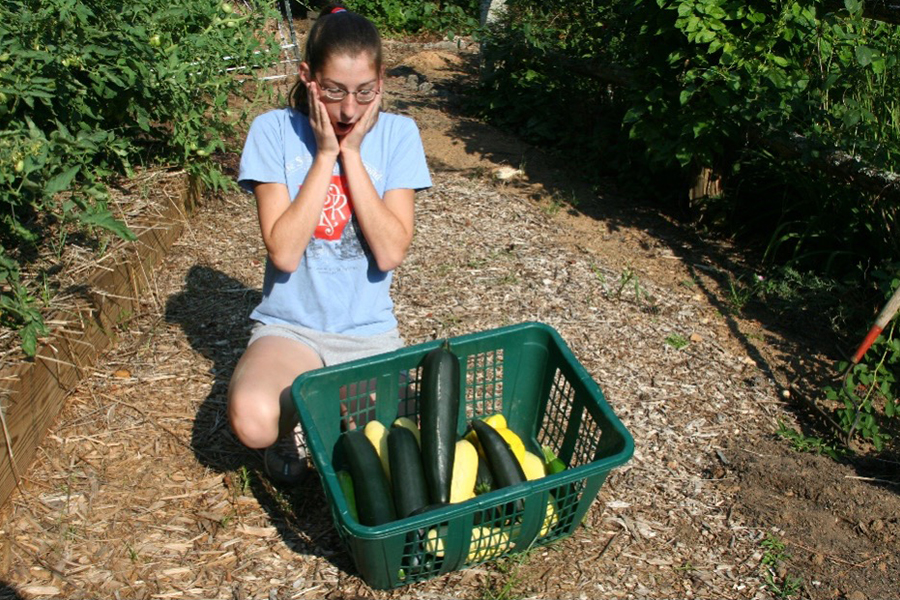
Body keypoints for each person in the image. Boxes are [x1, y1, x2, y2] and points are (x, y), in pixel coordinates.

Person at [227, 3, 432, 485]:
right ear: (308, 76)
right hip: (290, 329)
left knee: (398, 456)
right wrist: (324, 155)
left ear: (381, 79)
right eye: (334, 91)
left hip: (367, 332)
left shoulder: (400, 135)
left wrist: (353, 154)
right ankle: (289, 429)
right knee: (253, 420)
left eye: (365, 92)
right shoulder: (274, 131)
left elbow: (390, 252)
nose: (348, 109)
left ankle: (324, 415)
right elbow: (284, 251)